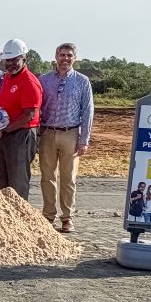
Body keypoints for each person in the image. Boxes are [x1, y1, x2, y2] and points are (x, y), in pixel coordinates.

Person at [38, 42, 95, 233]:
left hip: (71, 132)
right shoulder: (44, 80)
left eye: (69, 55)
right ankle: (48, 215)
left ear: (74, 58)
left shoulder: (82, 81)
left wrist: (84, 140)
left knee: (68, 178)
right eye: (62, 55)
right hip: (47, 132)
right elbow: (37, 107)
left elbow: (87, 111)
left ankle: (67, 217)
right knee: (47, 176)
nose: (65, 59)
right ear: (56, 56)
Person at [0, 39, 42, 200]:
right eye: (8, 60)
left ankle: (18, 217)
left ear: (24, 59)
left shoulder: (29, 82)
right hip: (5, 132)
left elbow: (29, 115)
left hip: (21, 135)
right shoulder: (8, 78)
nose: (10, 64)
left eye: (14, 60)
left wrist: (4, 129)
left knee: (17, 182)